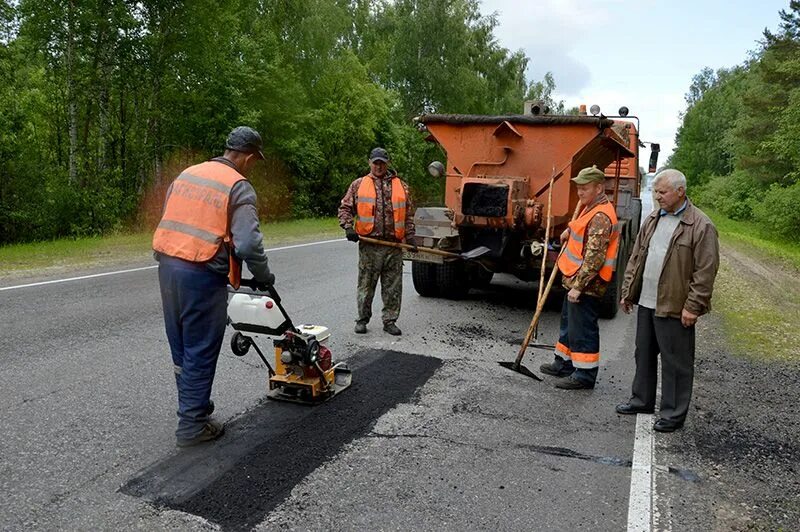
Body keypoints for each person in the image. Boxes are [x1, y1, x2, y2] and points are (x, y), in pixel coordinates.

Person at [153, 126, 275, 447]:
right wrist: (263, 276)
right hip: (202, 273)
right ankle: (192, 426)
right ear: (248, 157)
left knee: (181, 345)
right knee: (200, 347)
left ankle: (193, 407)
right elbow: (248, 244)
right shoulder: (239, 187)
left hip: (167, 267)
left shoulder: (188, 174)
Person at [616, 169, 719, 433]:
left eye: (662, 192)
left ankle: (673, 414)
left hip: (675, 306)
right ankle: (641, 401)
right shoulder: (653, 218)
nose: (657, 196)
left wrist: (693, 306)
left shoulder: (700, 225)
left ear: (680, 192)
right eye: (655, 191)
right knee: (644, 354)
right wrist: (628, 291)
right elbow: (636, 256)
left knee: (675, 362)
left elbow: (705, 271)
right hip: (648, 301)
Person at [539, 165, 620, 390]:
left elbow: (594, 258)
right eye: (578, 188)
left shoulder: (602, 216)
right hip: (574, 279)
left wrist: (579, 287)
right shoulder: (590, 207)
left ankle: (584, 374)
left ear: (599, 188)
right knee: (569, 323)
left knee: (583, 327)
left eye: (584, 188)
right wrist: (568, 230)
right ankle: (564, 363)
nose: (580, 193)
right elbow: (581, 231)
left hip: (587, 284)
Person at [338, 147, 416, 336]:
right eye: (375, 162)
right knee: (366, 285)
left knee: (393, 287)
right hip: (369, 246)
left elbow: (409, 215)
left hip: (393, 246)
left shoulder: (402, 187)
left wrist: (411, 237)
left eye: (382, 162)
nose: (379, 166)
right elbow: (345, 208)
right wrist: (348, 226)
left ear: (387, 163)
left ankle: (390, 321)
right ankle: (362, 319)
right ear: (369, 163)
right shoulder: (358, 185)